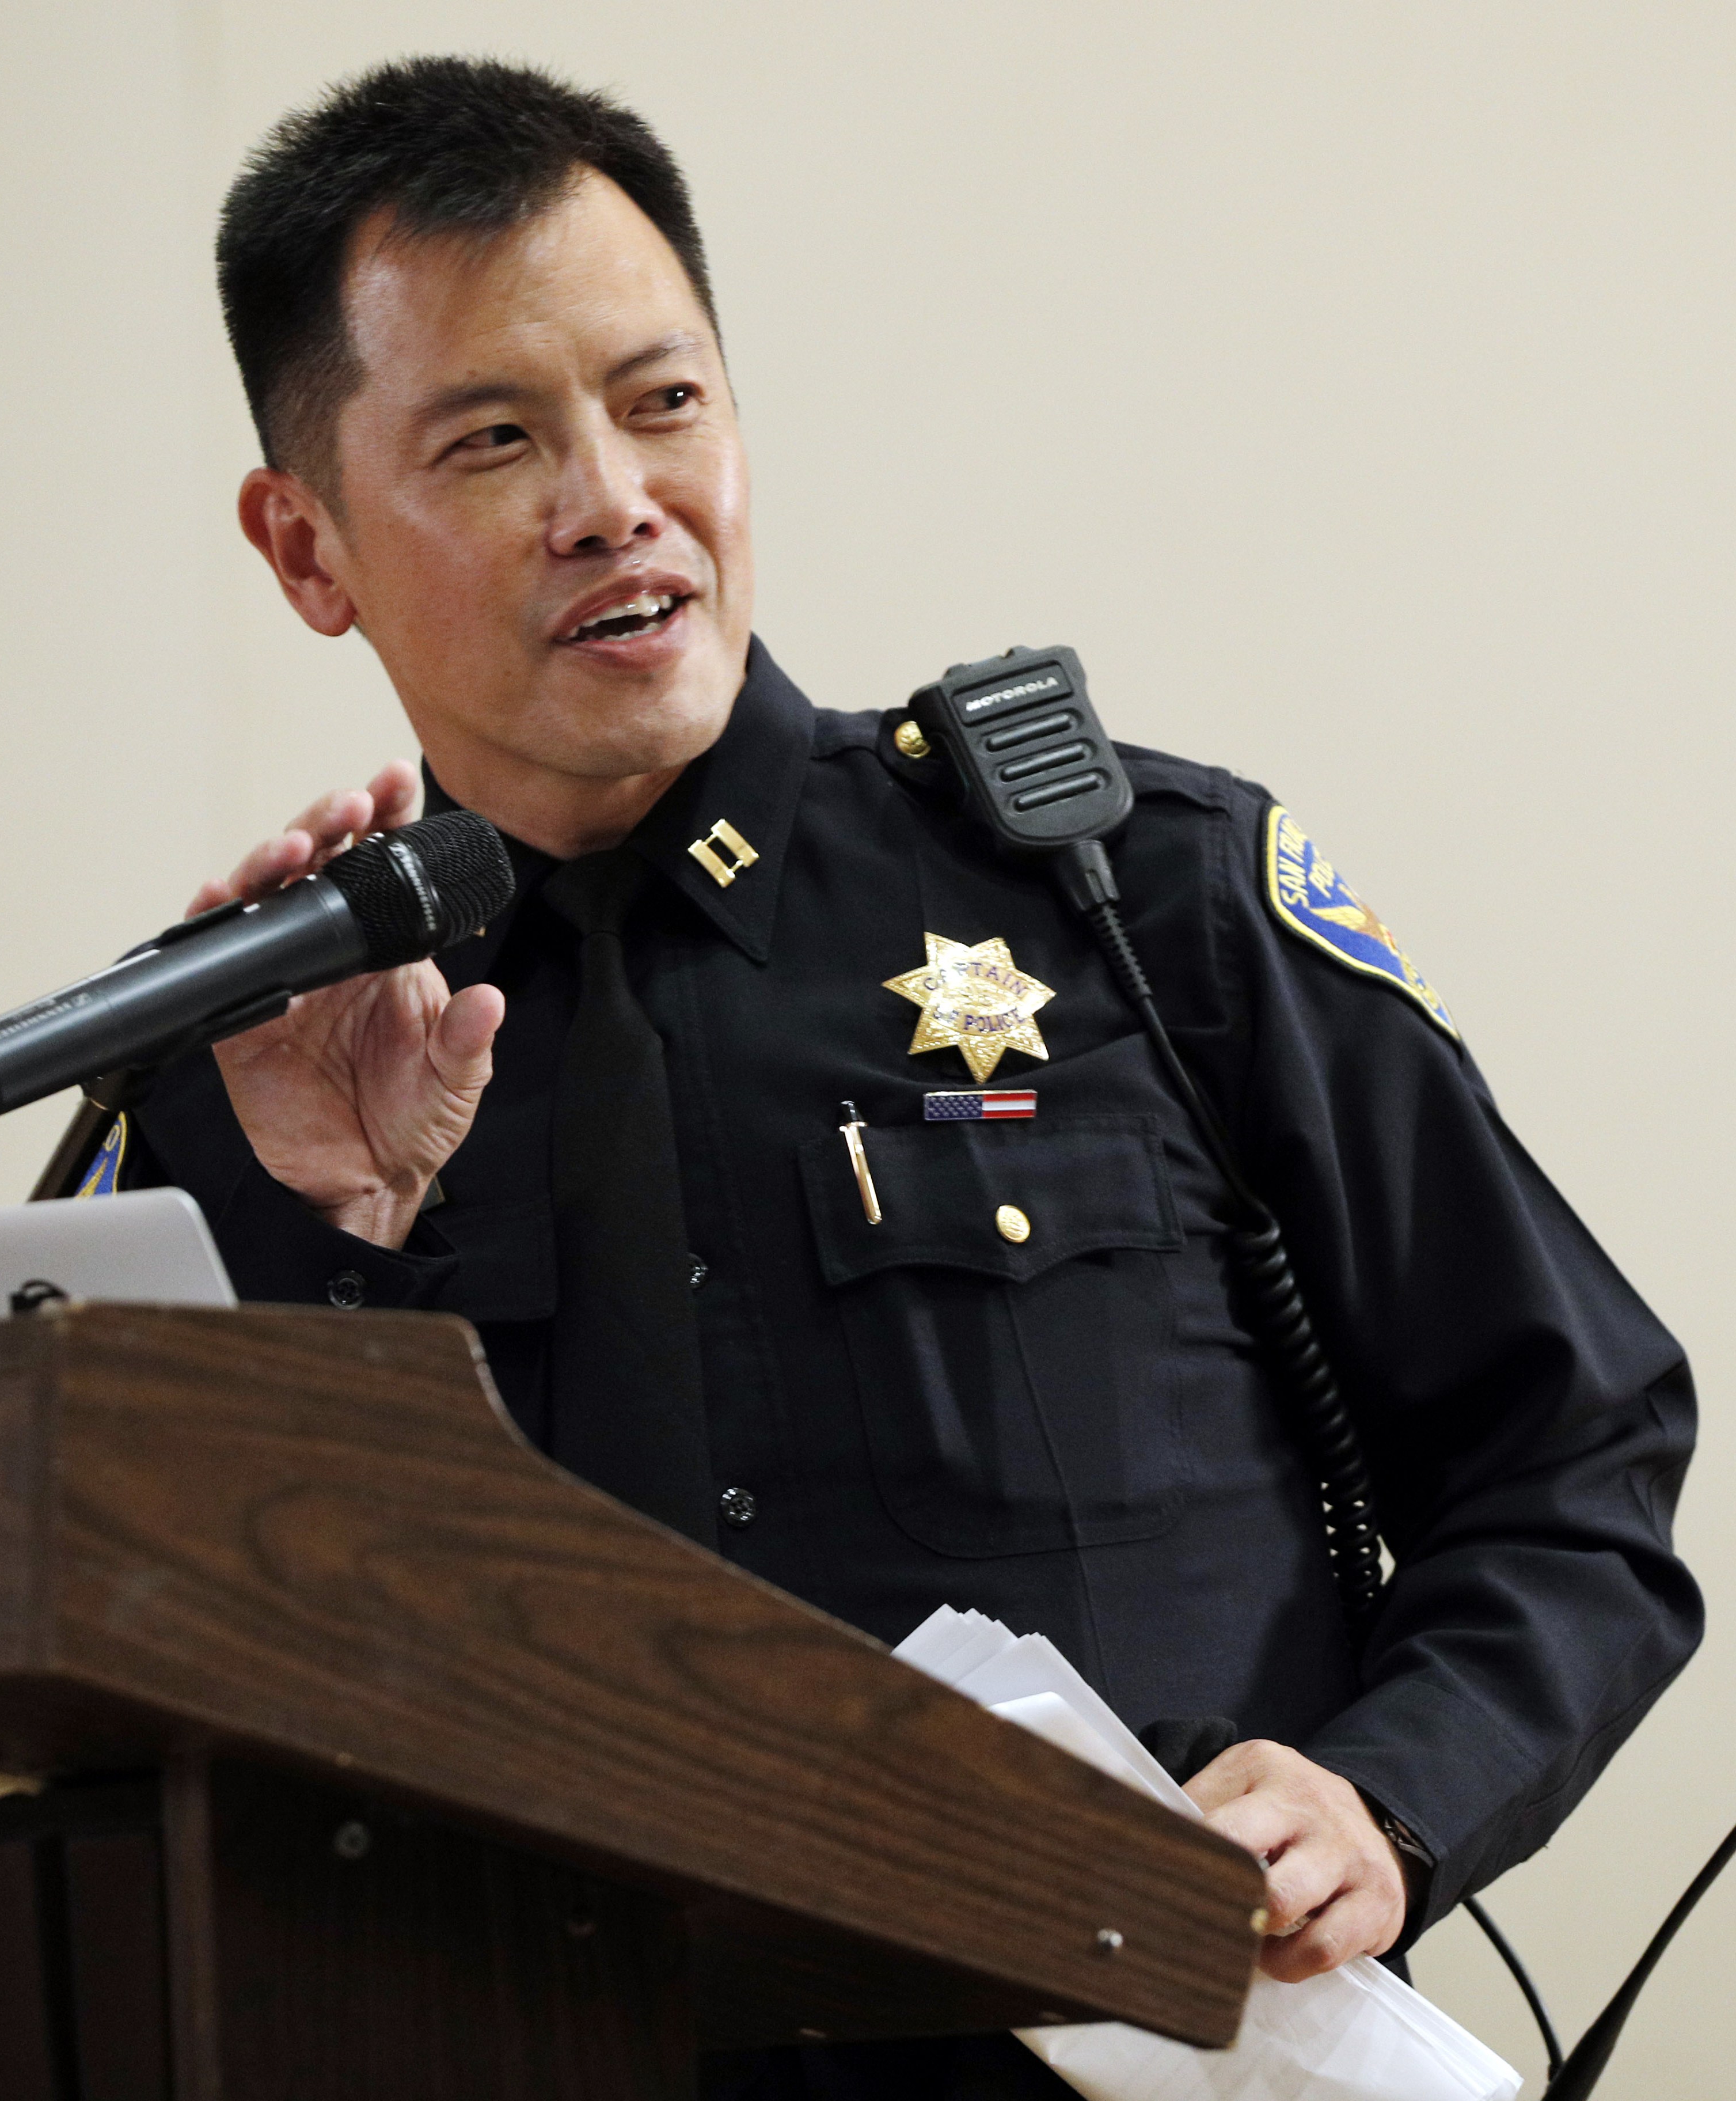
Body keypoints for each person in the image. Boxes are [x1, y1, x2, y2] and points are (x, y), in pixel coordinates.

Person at [92, 57, 1700, 2099]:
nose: (614, 497)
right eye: (496, 439)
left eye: (664, 401)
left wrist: (1386, 1797)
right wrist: (325, 1236)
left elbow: (1575, 1463)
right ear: (306, 547)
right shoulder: (242, 1077)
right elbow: (190, 1685)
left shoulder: (1138, 902)